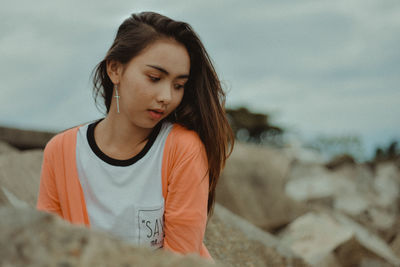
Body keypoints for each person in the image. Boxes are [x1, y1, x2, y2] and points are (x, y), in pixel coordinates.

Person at [36, 11, 234, 260]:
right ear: (115, 69)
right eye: (155, 78)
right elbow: (48, 247)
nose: (166, 97)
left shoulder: (182, 148)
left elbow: (181, 259)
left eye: (178, 85)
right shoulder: (62, 150)